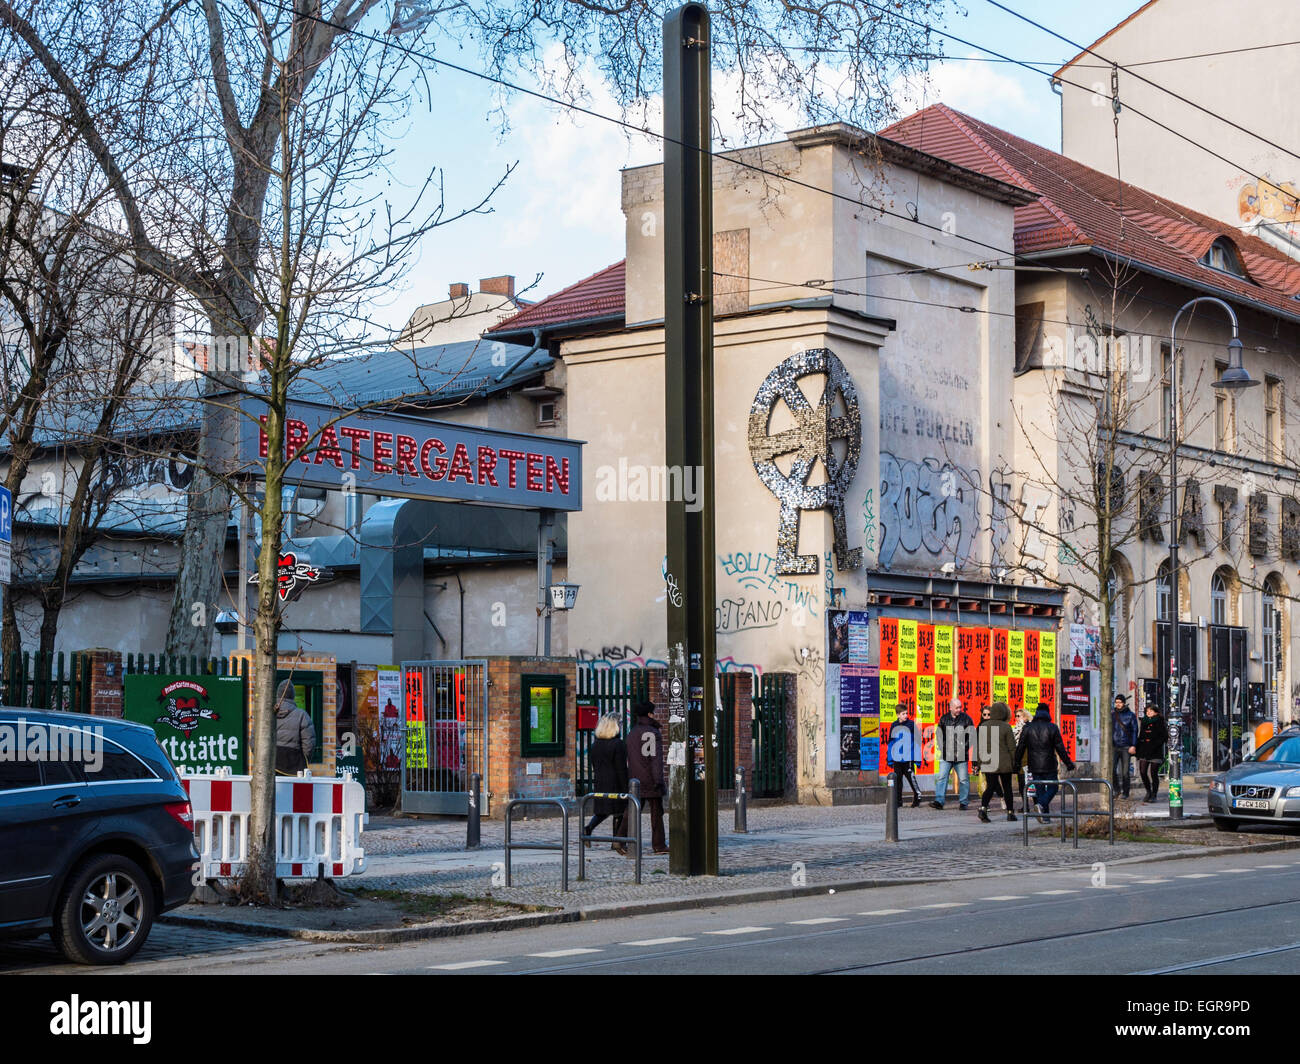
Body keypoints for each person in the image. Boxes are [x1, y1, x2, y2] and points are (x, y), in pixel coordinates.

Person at [1015, 702, 1075, 822]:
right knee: (1053, 788)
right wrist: (1068, 763)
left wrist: (1016, 762)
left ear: (1036, 713)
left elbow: (1020, 747)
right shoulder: (1052, 727)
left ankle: (1045, 816)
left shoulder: (1028, 728)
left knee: (1040, 790)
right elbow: (1060, 748)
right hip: (1049, 764)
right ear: (1047, 713)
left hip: (1034, 765)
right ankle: (1042, 807)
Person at [584, 713, 630, 855]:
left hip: (600, 780)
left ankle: (588, 829)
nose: (621, 726)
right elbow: (621, 768)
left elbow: (593, 764)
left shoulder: (595, 744)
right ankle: (617, 841)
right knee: (619, 811)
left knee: (602, 811)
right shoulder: (618, 744)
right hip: (615, 781)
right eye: (620, 724)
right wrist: (625, 788)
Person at [626, 701, 667, 854]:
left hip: (635, 779)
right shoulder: (652, 733)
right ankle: (659, 845)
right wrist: (658, 781)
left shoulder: (633, 732)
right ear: (650, 714)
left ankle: (620, 839)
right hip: (650, 780)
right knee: (657, 813)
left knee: (630, 811)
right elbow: (655, 760)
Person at [974, 701, 1018, 823]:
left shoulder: (983, 726)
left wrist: (979, 763)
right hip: (1004, 762)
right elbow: (1012, 747)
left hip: (988, 761)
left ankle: (983, 809)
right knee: (1007, 787)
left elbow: (980, 747)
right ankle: (1010, 813)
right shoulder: (1006, 727)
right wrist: (1015, 762)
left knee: (990, 787)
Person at [932, 696, 975, 810]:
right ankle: (939, 801)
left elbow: (971, 736)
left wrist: (964, 748)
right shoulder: (944, 718)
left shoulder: (966, 719)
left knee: (964, 779)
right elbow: (939, 735)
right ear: (950, 707)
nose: (959, 709)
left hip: (961, 755)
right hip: (947, 755)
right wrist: (943, 748)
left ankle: (963, 802)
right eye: (956, 707)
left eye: (960, 707)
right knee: (942, 777)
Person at [274, 678, 316, 775]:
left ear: (278, 694)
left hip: (270, 766)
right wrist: (301, 760)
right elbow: (309, 744)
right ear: (293, 696)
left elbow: (254, 741)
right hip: (294, 768)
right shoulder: (302, 715)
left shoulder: (267, 715)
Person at [886, 704, 922, 808]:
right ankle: (898, 801)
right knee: (898, 781)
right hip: (897, 759)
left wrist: (917, 759)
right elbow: (891, 743)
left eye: (906, 713)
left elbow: (917, 742)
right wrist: (890, 759)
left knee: (911, 778)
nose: (906, 715)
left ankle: (917, 796)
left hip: (908, 758)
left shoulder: (911, 724)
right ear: (898, 715)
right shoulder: (894, 725)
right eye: (903, 714)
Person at [1135, 703, 1168, 803]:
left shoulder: (1159, 721)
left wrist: (1155, 744)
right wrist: (1138, 748)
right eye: (1147, 711)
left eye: (1151, 711)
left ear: (1155, 712)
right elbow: (1141, 736)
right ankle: (1148, 791)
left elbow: (1164, 737)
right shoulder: (1144, 721)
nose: (1148, 712)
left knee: (1154, 773)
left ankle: (1154, 794)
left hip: (1155, 751)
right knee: (1143, 771)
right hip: (1144, 750)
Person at [1111, 694, 1138, 799]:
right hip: (1114, 746)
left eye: (1120, 702)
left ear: (1124, 703)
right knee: (1112, 770)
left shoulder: (1130, 715)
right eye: (1116, 702)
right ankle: (1116, 790)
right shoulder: (1113, 715)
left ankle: (1125, 792)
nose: (1118, 704)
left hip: (1126, 746)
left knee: (1125, 772)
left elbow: (1135, 731)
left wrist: (1133, 745)